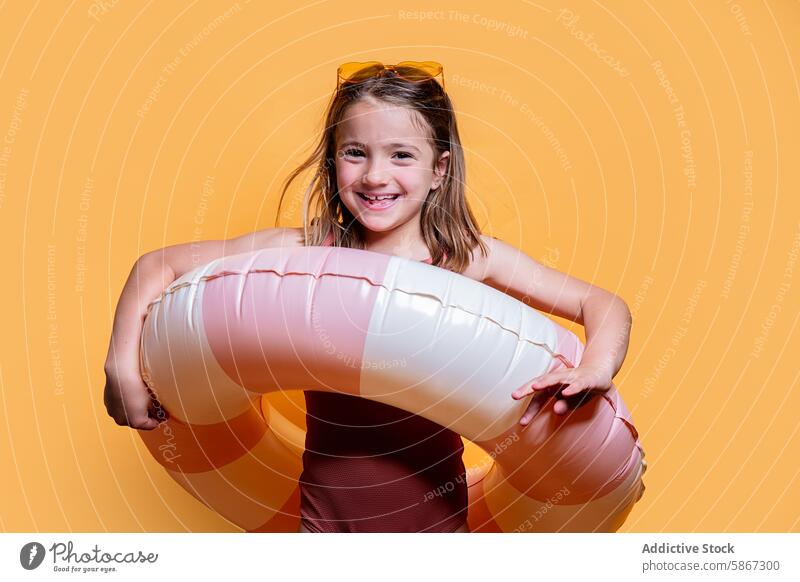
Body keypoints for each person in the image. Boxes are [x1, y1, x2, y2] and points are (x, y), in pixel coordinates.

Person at [103, 61, 632, 533]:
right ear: (333, 163)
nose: (376, 175)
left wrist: (596, 367)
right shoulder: (306, 251)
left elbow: (604, 305)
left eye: (401, 155)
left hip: (438, 534)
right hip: (323, 531)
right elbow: (159, 266)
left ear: (438, 170)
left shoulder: (466, 258)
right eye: (355, 153)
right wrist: (122, 368)